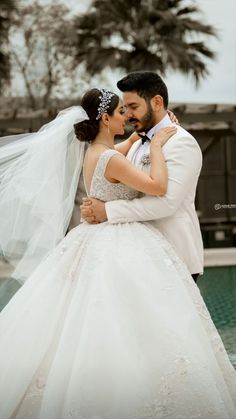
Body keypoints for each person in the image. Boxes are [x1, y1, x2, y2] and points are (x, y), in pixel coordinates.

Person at [0, 87, 236, 419]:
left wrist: (150, 134)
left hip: (91, 236)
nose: (126, 116)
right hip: (118, 238)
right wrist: (155, 145)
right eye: (121, 112)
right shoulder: (110, 158)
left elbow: (125, 148)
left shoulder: (95, 152)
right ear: (106, 118)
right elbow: (157, 186)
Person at [81, 72, 203, 283]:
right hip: (138, 256)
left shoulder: (182, 143)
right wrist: (94, 205)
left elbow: (167, 203)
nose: (127, 115)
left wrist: (106, 210)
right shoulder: (135, 143)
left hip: (175, 256)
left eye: (133, 107)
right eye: (125, 108)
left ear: (157, 102)